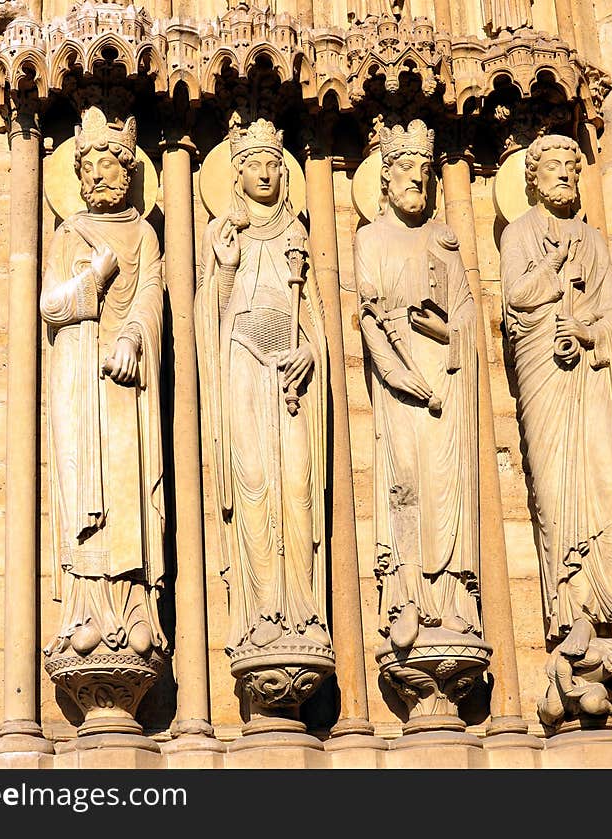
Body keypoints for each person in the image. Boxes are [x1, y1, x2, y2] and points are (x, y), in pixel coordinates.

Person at [499, 134, 612, 659]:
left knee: (607, 480)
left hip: (591, 376)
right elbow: (515, 300)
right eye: (554, 167)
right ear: (533, 178)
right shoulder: (519, 235)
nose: (565, 175)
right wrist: (554, 270)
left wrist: (587, 332)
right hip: (545, 376)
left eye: (572, 167)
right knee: (554, 487)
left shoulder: (592, 240)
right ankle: (572, 613)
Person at [195, 118, 331, 656]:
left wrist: (311, 352)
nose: (266, 173)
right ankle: (261, 611)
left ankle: (303, 609)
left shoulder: (297, 234)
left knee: (296, 486)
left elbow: (315, 317)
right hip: (243, 368)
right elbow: (211, 316)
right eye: (254, 164)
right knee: (252, 483)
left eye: (275, 163)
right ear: (236, 174)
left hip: (291, 371)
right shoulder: (223, 234)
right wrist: (226, 271)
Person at [41, 106, 165, 660]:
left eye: (106, 164)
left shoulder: (144, 234)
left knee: (129, 490)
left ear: (130, 168)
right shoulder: (70, 232)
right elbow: (50, 305)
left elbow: (152, 298)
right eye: (86, 165)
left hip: (128, 383)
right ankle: (86, 610)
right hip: (79, 383)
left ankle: (136, 610)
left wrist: (132, 339)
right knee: (84, 497)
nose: (94, 175)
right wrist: (96, 273)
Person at [355, 119, 481, 651]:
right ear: (385, 178)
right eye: (405, 168)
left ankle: (451, 598)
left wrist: (448, 330)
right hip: (403, 388)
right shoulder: (371, 238)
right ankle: (406, 595)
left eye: (425, 170)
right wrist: (400, 375)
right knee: (404, 483)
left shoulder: (444, 240)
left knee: (447, 485)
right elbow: (366, 314)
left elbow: (470, 312)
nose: (417, 179)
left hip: (447, 383)